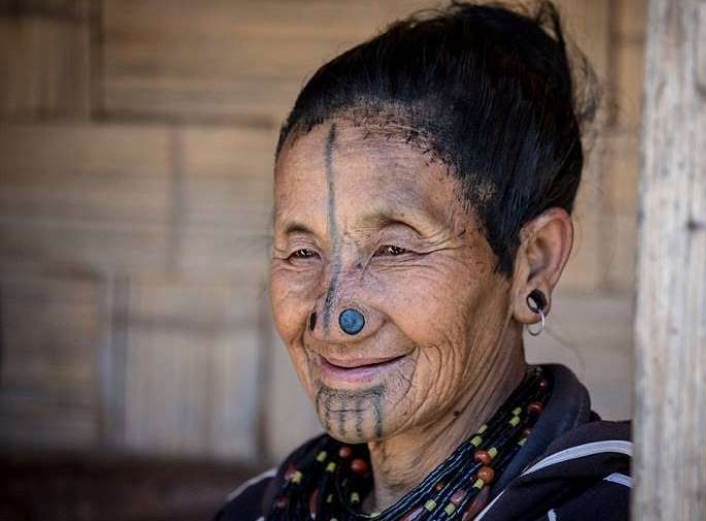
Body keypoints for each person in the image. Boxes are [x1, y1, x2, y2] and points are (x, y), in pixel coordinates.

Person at [217, 1, 631, 520]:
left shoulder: (633, 508)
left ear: (535, 263)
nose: (331, 322)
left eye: (393, 249)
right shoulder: (259, 508)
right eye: (303, 252)